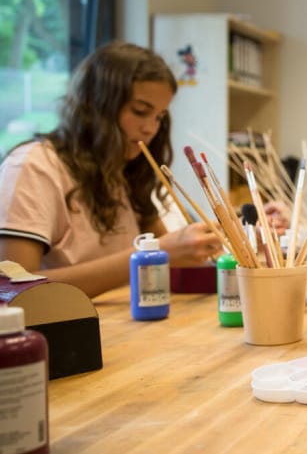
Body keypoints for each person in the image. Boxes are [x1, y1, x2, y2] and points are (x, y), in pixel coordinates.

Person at [0, 42, 217, 297]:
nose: (150, 129)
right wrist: (150, 255)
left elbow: (174, 266)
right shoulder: (35, 166)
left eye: (159, 117)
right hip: (63, 331)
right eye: (140, 111)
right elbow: (13, 289)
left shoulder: (125, 170)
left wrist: (224, 246)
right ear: (95, 104)